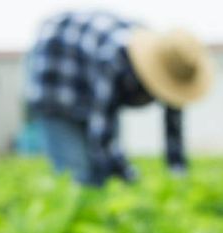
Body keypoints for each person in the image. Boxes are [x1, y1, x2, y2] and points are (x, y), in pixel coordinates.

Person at [24, 11, 213, 187]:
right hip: (55, 70)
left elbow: (173, 130)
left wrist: (177, 174)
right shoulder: (115, 58)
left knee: (102, 174)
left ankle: (99, 211)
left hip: (90, 71)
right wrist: (131, 179)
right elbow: (102, 136)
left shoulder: (174, 63)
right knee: (78, 174)